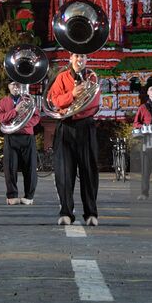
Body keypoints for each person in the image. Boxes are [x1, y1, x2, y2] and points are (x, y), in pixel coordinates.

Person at [49, 50, 101, 226]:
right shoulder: (62, 77)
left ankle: (91, 213)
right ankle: (66, 212)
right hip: (66, 126)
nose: (80, 59)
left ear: (87, 59)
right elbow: (54, 100)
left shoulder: (92, 78)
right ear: (70, 58)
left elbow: (94, 103)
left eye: (83, 56)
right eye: (77, 56)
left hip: (85, 126)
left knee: (89, 171)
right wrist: (72, 95)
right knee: (64, 172)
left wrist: (73, 104)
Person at [0, 79, 39, 205]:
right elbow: (0, 118)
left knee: (30, 168)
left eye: (18, 84)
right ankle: (12, 196)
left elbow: (36, 116)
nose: (16, 87)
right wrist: (15, 111)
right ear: (8, 86)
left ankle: (29, 196)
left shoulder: (29, 100)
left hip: (27, 136)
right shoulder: (3, 101)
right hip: (11, 136)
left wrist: (23, 125)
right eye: (13, 84)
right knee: (10, 168)